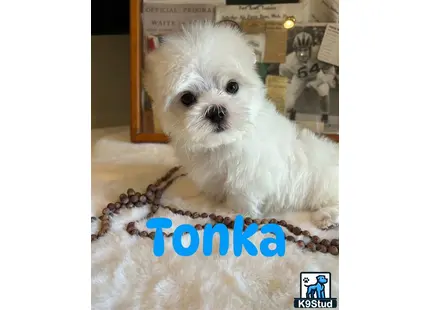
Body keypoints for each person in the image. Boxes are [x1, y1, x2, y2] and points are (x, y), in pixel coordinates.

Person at [279, 31, 336, 123]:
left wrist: (319, 82)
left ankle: (325, 114)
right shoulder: (288, 63)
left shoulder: (319, 54)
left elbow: (330, 72)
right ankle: (292, 111)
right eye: (299, 50)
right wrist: (290, 88)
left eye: (305, 50)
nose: (302, 54)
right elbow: (285, 78)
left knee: (324, 90)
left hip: (317, 75)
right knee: (288, 102)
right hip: (299, 78)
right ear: (295, 50)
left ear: (311, 48)